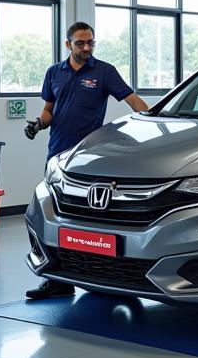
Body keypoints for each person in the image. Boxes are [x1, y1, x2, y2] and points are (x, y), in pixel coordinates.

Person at [24, 21, 149, 300]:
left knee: (90, 221)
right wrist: (37, 124)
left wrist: (153, 121)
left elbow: (132, 100)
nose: (86, 47)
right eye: (80, 43)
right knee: (56, 218)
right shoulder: (54, 72)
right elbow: (49, 110)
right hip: (57, 156)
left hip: (91, 159)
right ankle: (57, 278)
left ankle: (107, 274)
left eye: (90, 42)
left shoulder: (104, 71)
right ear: (68, 44)